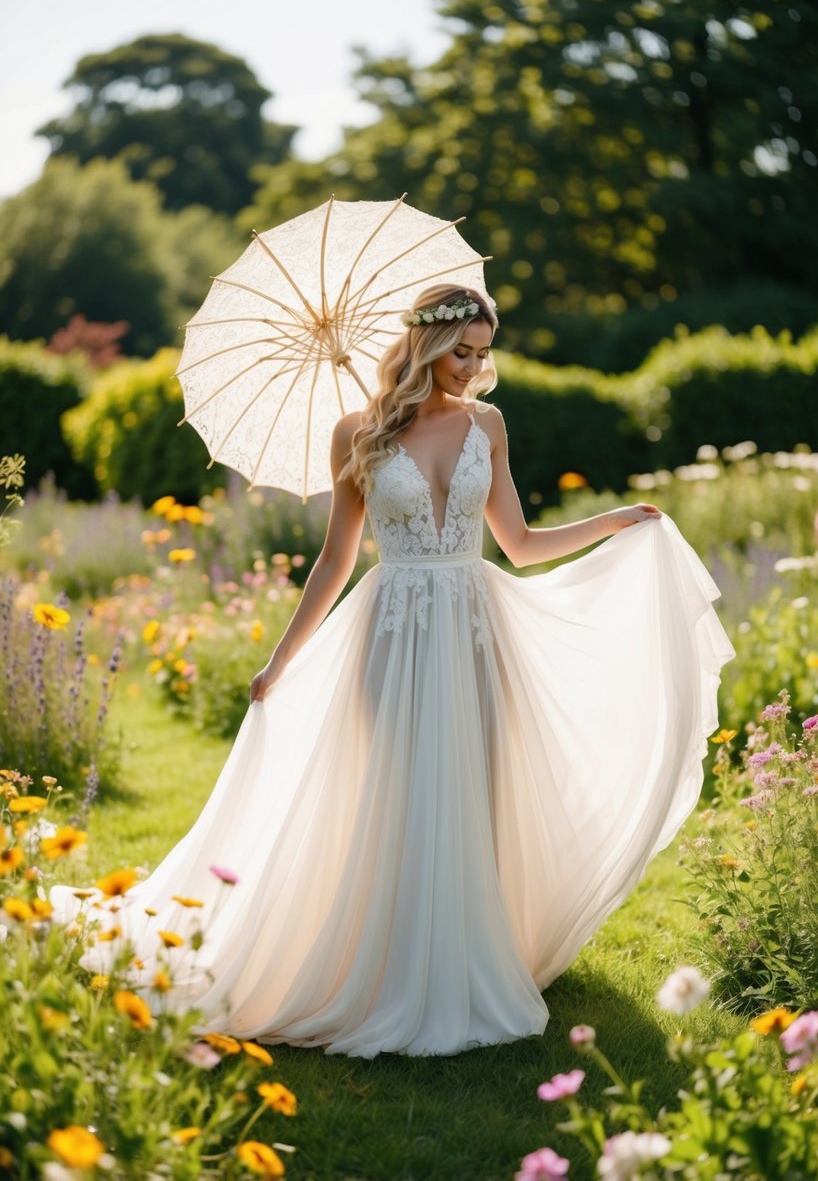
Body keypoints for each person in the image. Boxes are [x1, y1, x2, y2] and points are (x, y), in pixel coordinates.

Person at [51, 283, 735, 1059]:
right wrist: (281, 658)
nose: (473, 368)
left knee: (474, 792)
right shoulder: (356, 434)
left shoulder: (489, 423)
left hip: (477, 631)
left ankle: (469, 956)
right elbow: (336, 561)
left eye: (482, 352)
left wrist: (614, 521)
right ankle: (384, 970)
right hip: (394, 632)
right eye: (459, 352)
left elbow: (516, 543)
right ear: (424, 345)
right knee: (402, 793)